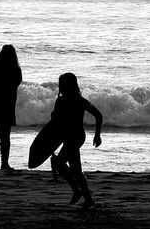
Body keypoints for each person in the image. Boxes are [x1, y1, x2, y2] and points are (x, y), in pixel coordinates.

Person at [50, 73, 102, 207]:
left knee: (61, 164)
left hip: (76, 136)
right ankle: (87, 198)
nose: (60, 86)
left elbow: (98, 115)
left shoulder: (79, 100)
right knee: (75, 169)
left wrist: (97, 135)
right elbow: (54, 120)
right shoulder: (60, 100)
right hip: (66, 136)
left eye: (63, 83)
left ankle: (77, 191)